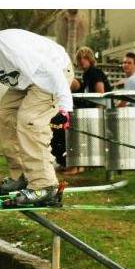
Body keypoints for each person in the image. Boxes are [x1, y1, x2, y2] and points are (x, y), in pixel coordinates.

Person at [0, 18, 73, 206]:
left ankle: (45, 186)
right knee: (2, 116)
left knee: (29, 119)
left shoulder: (13, 48)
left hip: (55, 73)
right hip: (26, 81)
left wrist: (65, 108)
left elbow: (52, 71)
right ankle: (22, 176)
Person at [53, 46, 113, 176]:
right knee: (63, 123)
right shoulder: (86, 75)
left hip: (100, 114)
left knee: (71, 127)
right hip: (91, 113)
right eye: (79, 58)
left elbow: (100, 95)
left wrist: (95, 117)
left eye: (84, 58)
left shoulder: (94, 72)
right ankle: (74, 164)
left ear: (90, 59)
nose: (81, 61)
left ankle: (76, 165)